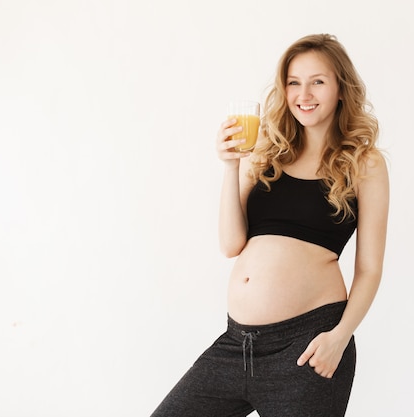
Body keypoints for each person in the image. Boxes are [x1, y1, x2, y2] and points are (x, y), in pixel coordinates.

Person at [150, 33, 389, 417]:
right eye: (294, 82)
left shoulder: (365, 164)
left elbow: (370, 268)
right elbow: (231, 244)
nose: (304, 94)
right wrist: (231, 167)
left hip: (307, 347)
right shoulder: (264, 150)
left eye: (318, 81)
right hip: (235, 344)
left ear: (341, 89)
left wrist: (339, 338)